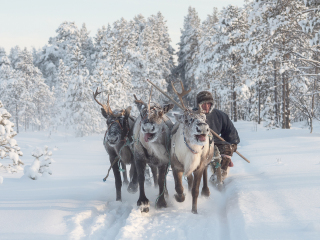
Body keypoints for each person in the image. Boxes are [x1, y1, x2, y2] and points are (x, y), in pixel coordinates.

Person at [195, 91, 240, 181]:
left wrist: (232, 146)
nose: (206, 106)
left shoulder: (220, 115)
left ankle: (220, 175)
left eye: (209, 104)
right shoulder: (193, 116)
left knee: (227, 148)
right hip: (198, 145)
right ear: (199, 105)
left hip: (215, 143)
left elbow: (231, 133)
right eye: (203, 104)